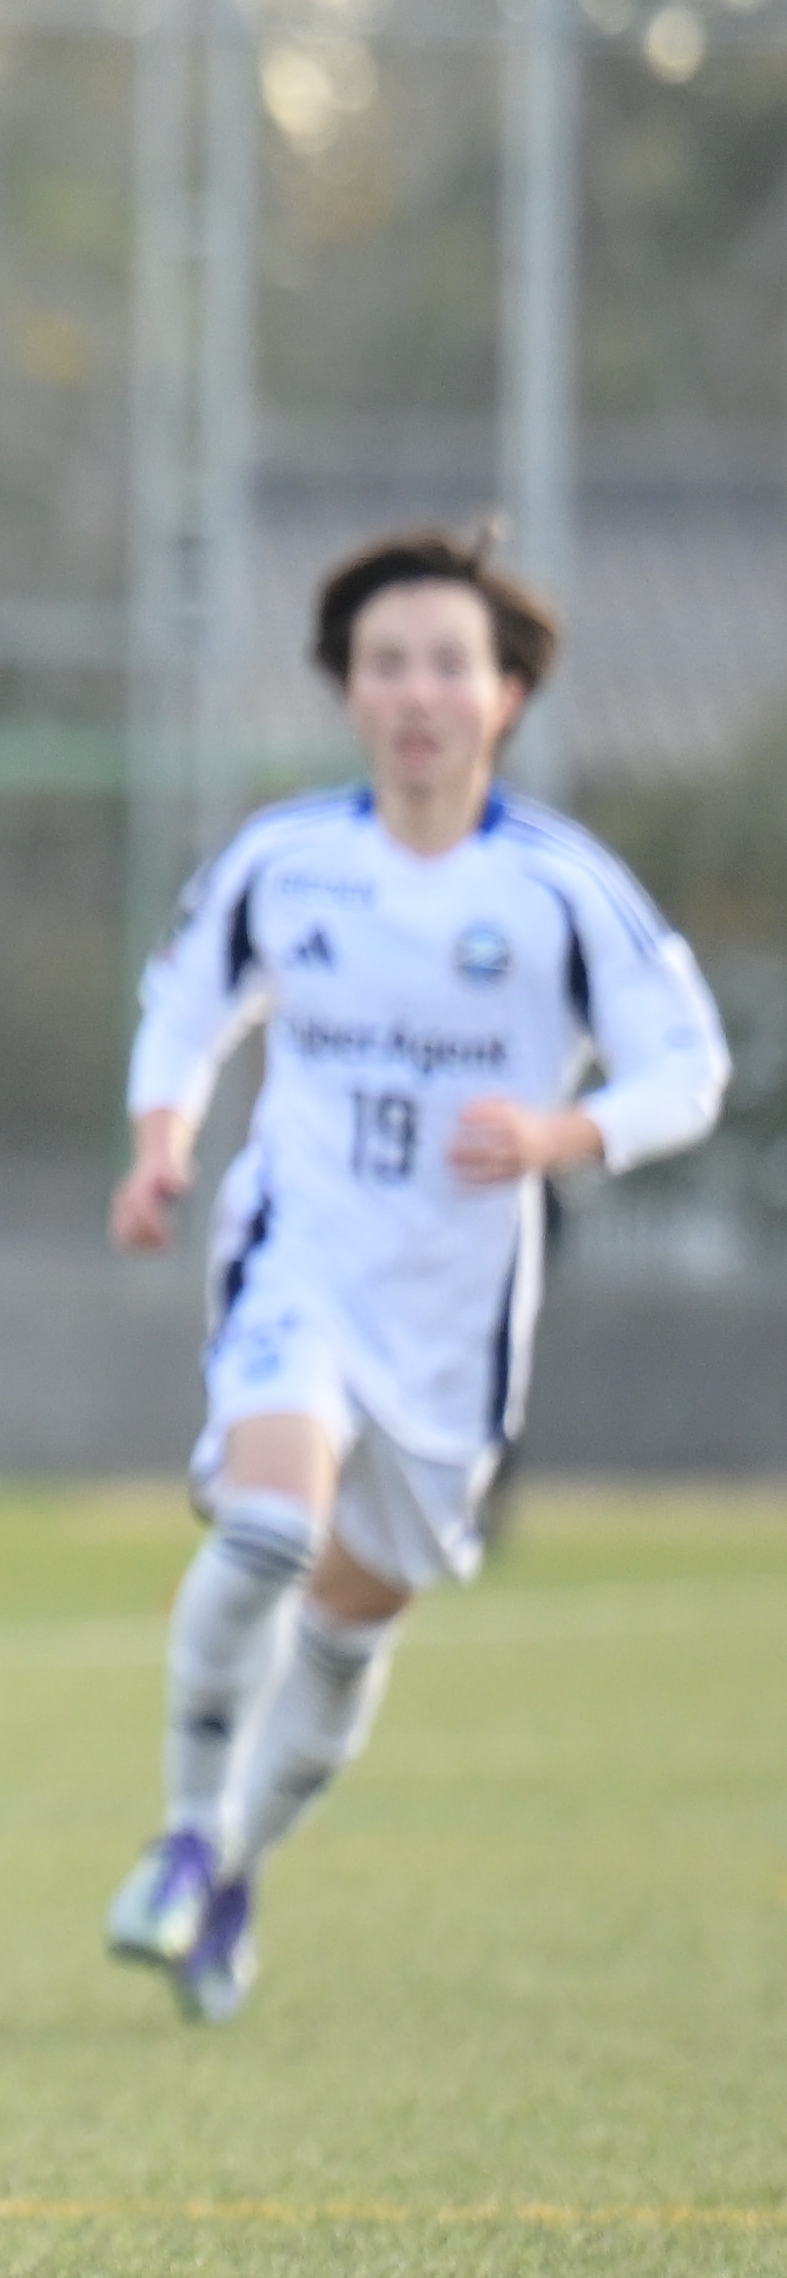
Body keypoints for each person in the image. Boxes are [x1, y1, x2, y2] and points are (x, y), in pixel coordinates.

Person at [98, 531, 722, 2024]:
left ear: (507, 694)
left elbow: (689, 1068)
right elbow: (186, 1004)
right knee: (265, 1529)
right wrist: (159, 1140)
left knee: (346, 1628)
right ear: (347, 690)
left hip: (454, 1315)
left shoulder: (561, 888)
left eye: (450, 664)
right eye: (387, 664)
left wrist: (565, 1131)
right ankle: (182, 1834)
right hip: (301, 1255)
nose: (418, 693)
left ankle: (235, 1866)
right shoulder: (283, 861)